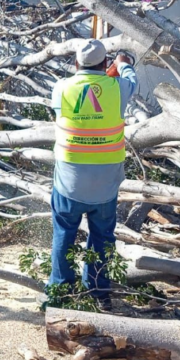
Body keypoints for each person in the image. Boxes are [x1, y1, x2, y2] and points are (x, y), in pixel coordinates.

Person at [49, 41, 137, 311]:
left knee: (64, 234)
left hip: (69, 182)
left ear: (76, 63)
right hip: (105, 186)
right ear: (105, 63)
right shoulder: (119, 88)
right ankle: (99, 292)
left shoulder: (61, 88)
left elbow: (66, 113)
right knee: (102, 237)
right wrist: (121, 62)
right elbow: (130, 76)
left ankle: (61, 292)